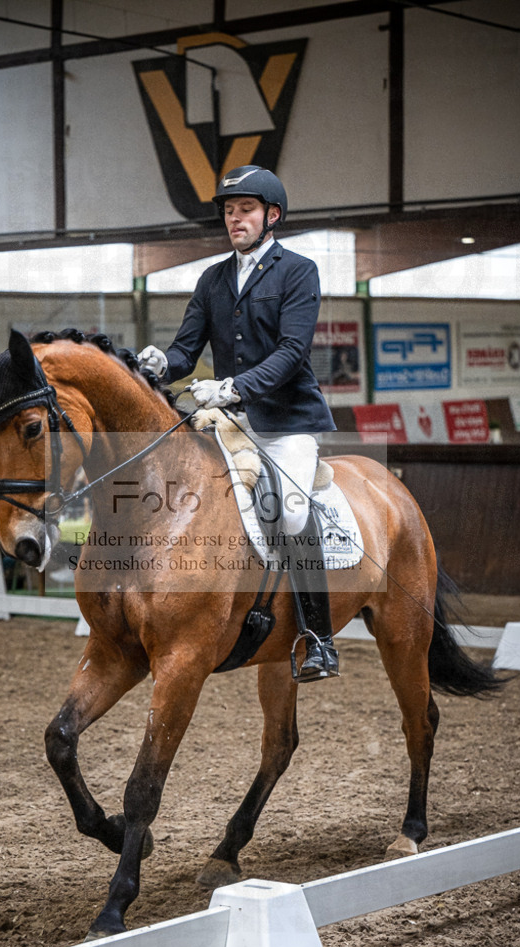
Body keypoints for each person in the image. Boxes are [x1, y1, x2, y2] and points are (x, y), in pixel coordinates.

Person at [139, 165, 339, 680]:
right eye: (229, 212)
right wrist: (162, 362)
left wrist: (232, 387)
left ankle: (319, 639)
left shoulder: (298, 271)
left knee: (292, 512)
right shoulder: (213, 279)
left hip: (287, 420)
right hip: (230, 421)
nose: (235, 219)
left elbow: (293, 352)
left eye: (245, 210)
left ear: (272, 215)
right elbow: (187, 350)